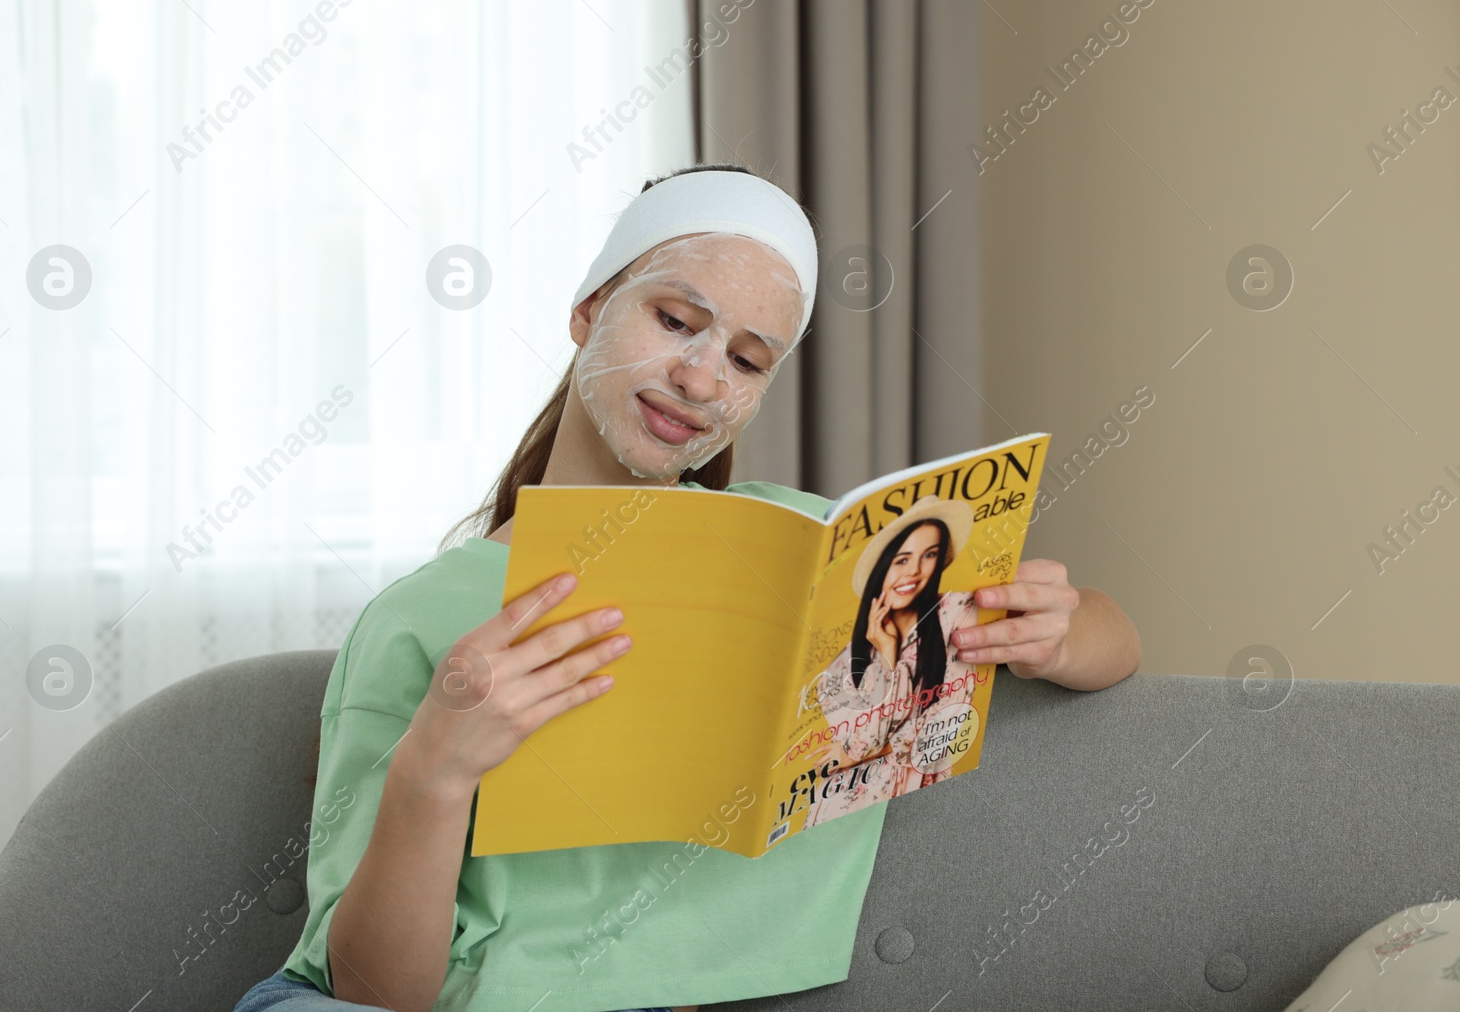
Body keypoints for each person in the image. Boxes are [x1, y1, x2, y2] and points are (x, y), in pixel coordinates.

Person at [232, 164, 1143, 1012]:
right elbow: (368, 991)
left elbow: (1114, 640)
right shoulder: (423, 616)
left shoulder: (822, 551)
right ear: (589, 310)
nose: (702, 376)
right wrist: (436, 769)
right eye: (675, 320)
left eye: (748, 361)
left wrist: (1059, 635)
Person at [804, 499, 982, 828]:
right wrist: (887, 653)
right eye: (901, 560)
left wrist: (867, 752)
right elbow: (863, 743)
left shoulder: (958, 612)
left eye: (929, 555)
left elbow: (944, 726)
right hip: (836, 817)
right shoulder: (846, 662)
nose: (914, 571)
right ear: (881, 570)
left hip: (915, 807)